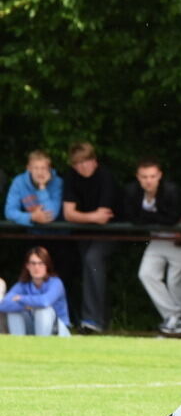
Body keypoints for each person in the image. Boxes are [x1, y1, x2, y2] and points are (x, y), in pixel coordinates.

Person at [124, 158, 181, 336]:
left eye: (152, 176)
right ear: (138, 177)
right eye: (144, 176)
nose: (148, 180)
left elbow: (172, 219)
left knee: (176, 282)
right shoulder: (133, 192)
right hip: (157, 239)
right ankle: (175, 319)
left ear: (159, 176)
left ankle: (175, 321)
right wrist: (156, 219)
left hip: (178, 239)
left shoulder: (171, 190)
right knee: (146, 274)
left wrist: (149, 218)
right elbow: (133, 218)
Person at [62, 141, 120, 334]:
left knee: (92, 260)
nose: (82, 167)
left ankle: (93, 320)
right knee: (83, 269)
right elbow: (68, 213)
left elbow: (103, 217)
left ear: (94, 161)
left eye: (85, 161)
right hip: (83, 236)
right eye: (77, 163)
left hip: (107, 235)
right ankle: (84, 321)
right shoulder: (71, 177)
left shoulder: (106, 177)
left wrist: (84, 217)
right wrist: (92, 217)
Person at [0, 246, 71, 336]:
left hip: (57, 331)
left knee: (42, 311)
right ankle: (18, 344)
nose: (36, 267)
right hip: (32, 327)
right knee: (13, 312)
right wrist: (28, 306)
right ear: (27, 266)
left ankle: (42, 346)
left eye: (41, 263)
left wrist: (21, 299)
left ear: (47, 266)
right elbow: (3, 304)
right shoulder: (22, 284)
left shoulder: (56, 283)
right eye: (33, 263)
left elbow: (44, 302)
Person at [4, 150, 63, 227]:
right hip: (32, 234)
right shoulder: (19, 182)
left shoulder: (57, 182)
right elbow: (9, 212)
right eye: (35, 168)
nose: (39, 172)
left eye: (43, 168)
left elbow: (50, 216)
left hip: (59, 233)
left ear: (49, 168)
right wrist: (32, 217)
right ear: (29, 168)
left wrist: (42, 187)